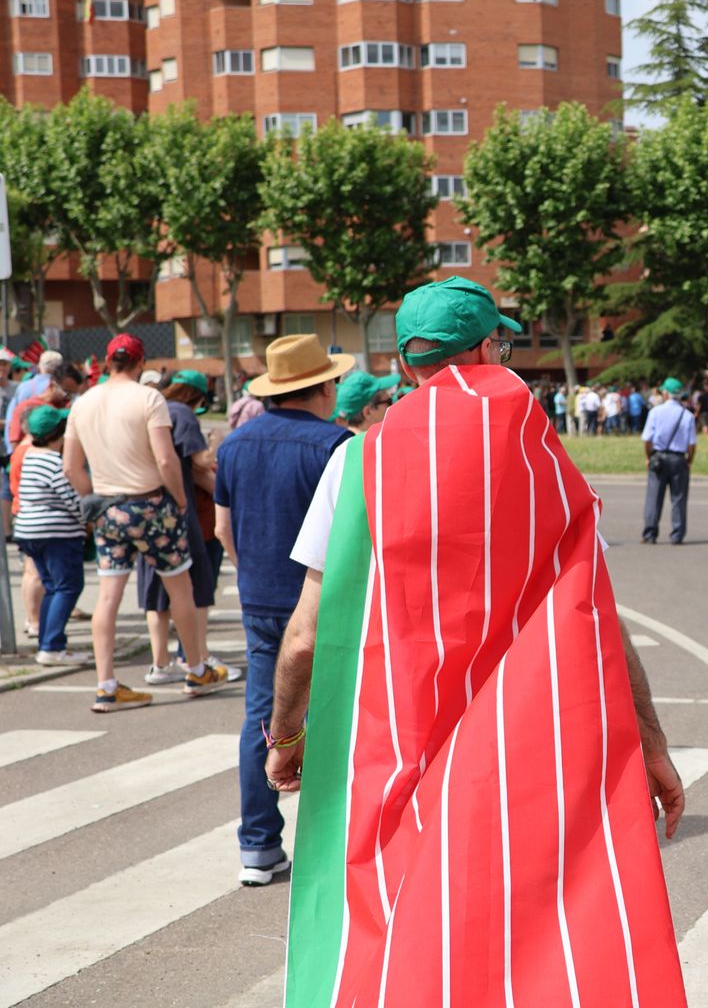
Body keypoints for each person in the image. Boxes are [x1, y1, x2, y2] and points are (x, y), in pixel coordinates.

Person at [265, 277, 686, 1006]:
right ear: (492, 348)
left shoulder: (357, 464)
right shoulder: (544, 462)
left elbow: (304, 637)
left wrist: (284, 732)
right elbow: (598, 615)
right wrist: (650, 742)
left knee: (399, 942)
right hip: (533, 751)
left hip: (396, 748)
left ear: (404, 365)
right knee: (538, 948)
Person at [214, 334, 353, 886]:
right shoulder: (339, 446)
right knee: (336, 720)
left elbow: (223, 528)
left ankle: (258, 846)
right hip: (321, 600)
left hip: (258, 595)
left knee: (264, 719)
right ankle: (332, 846)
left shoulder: (232, 445)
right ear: (322, 386)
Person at [63, 335, 228, 713]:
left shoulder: (83, 403)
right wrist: (181, 500)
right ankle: (197, 668)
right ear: (139, 364)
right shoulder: (148, 398)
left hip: (108, 506)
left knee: (108, 597)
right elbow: (167, 460)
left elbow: (71, 466)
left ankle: (106, 684)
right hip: (150, 503)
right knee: (180, 588)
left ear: (107, 362)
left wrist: (97, 496)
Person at [138, 370, 235, 687]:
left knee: (155, 592)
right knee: (196, 587)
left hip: (143, 509)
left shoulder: (149, 408)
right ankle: (199, 659)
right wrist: (217, 443)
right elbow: (202, 462)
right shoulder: (182, 413)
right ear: (195, 396)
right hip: (178, 513)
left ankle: (160, 663)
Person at [15, 407, 88, 666]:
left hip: (28, 529)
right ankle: (52, 646)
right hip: (56, 532)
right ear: (59, 432)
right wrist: (88, 520)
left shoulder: (31, 456)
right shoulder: (54, 462)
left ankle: (48, 643)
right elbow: (72, 499)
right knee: (68, 586)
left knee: (53, 587)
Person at [640, 376, 697, 545]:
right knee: (678, 497)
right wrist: (689, 460)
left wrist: (648, 456)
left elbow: (647, 439)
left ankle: (650, 533)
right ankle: (677, 534)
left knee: (654, 496)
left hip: (659, 456)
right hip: (679, 458)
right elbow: (691, 444)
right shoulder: (687, 415)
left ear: (666, 394)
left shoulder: (655, 412)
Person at [333, 370, 398, 432]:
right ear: (367, 412)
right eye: (389, 402)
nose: (394, 405)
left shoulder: (343, 441)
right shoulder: (376, 443)